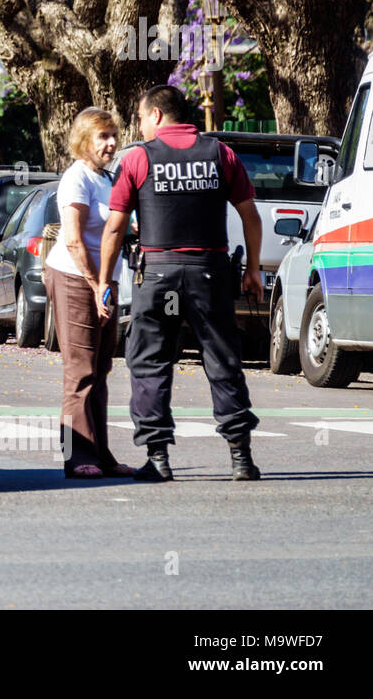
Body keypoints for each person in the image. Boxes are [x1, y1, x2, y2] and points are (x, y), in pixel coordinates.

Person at [98, 86, 264, 482]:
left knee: (151, 361)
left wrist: (104, 279)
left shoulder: (139, 158)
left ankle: (158, 459)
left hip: (158, 274)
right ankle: (241, 456)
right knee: (222, 360)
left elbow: (115, 227)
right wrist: (253, 269)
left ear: (157, 115)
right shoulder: (220, 154)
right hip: (209, 272)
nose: (139, 125)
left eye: (139, 117)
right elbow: (250, 216)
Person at [44, 107, 136, 479]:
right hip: (74, 277)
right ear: (84, 140)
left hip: (103, 281)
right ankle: (77, 456)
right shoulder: (76, 179)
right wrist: (96, 285)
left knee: (101, 368)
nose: (112, 143)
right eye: (103, 136)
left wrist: (107, 284)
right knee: (80, 371)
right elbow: (73, 240)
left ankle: (101, 455)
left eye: (114, 135)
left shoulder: (106, 177)